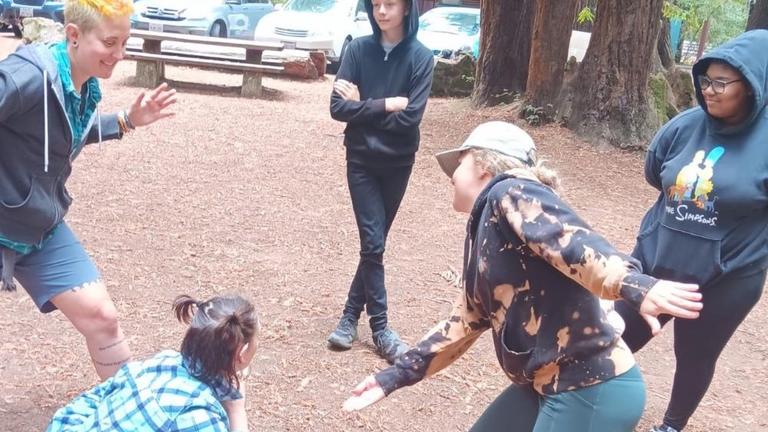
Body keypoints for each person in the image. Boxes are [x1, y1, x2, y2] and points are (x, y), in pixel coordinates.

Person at [342, 121, 704, 431]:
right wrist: (391, 378)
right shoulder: (493, 227)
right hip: (547, 383)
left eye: (461, 160)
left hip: (592, 387)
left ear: (484, 165)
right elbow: (463, 322)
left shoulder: (510, 190)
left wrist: (636, 285)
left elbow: (573, 243)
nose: (451, 173)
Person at [0, 0, 175, 379]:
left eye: (125, 42)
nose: (120, 54)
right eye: (110, 42)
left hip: (38, 221)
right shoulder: (27, 75)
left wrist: (127, 121)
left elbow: (64, 130)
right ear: (74, 36)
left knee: (103, 318)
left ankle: (125, 413)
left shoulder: (81, 84)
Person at [614, 29, 768, 432]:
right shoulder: (684, 126)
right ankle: (586, 396)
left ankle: (672, 425)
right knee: (612, 337)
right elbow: (656, 173)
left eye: (721, 82)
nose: (709, 90)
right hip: (658, 260)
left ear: (752, 86)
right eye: (705, 80)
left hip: (725, 277)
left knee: (695, 356)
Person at [328, 0, 434, 363]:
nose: (381, 11)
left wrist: (364, 107)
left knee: (374, 244)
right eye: (376, 4)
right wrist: (386, 103)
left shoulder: (421, 58)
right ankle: (381, 330)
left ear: (407, 9)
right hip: (360, 161)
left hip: (398, 163)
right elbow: (337, 108)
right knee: (373, 241)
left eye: (390, 4)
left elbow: (411, 120)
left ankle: (347, 318)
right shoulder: (357, 50)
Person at [47, 294, 258, 432]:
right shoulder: (202, 416)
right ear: (242, 353)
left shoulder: (162, 362)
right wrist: (236, 409)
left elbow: (100, 394)